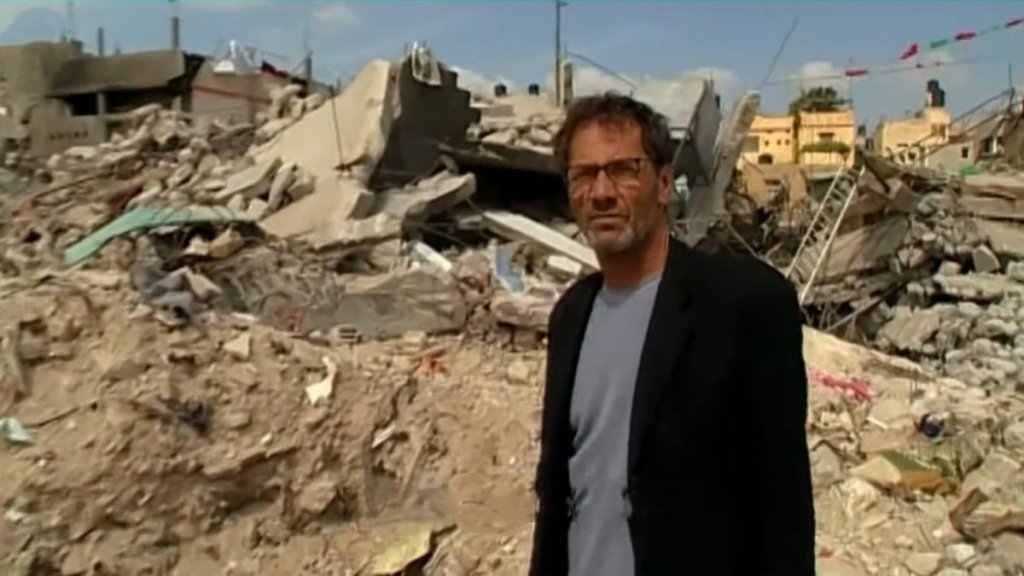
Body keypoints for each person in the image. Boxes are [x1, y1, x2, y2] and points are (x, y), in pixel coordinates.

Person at [529, 93, 816, 576]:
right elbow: (559, 491)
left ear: (664, 184)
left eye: (624, 170)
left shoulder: (742, 304)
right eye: (584, 174)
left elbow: (783, 503)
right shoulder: (571, 316)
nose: (601, 192)